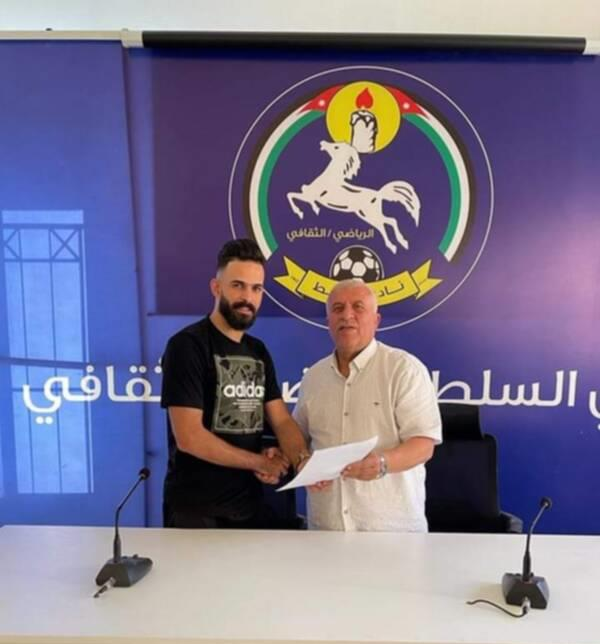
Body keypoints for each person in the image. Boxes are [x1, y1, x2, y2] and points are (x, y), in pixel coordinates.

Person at [161, 238, 310, 529]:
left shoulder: (258, 351)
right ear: (216, 288)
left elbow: (281, 420)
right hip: (196, 512)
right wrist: (259, 462)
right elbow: (189, 437)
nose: (247, 298)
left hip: (249, 508)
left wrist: (302, 461)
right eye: (238, 286)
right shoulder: (187, 346)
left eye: (256, 289)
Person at [293, 279, 442, 532]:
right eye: (338, 309)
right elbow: (298, 435)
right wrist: (297, 459)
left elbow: (423, 445)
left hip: (393, 534)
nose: (347, 315)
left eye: (358, 307)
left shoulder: (404, 369)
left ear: (376, 320)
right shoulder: (313, 378)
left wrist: (383, 463)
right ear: (328, 321)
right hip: (325, 531)